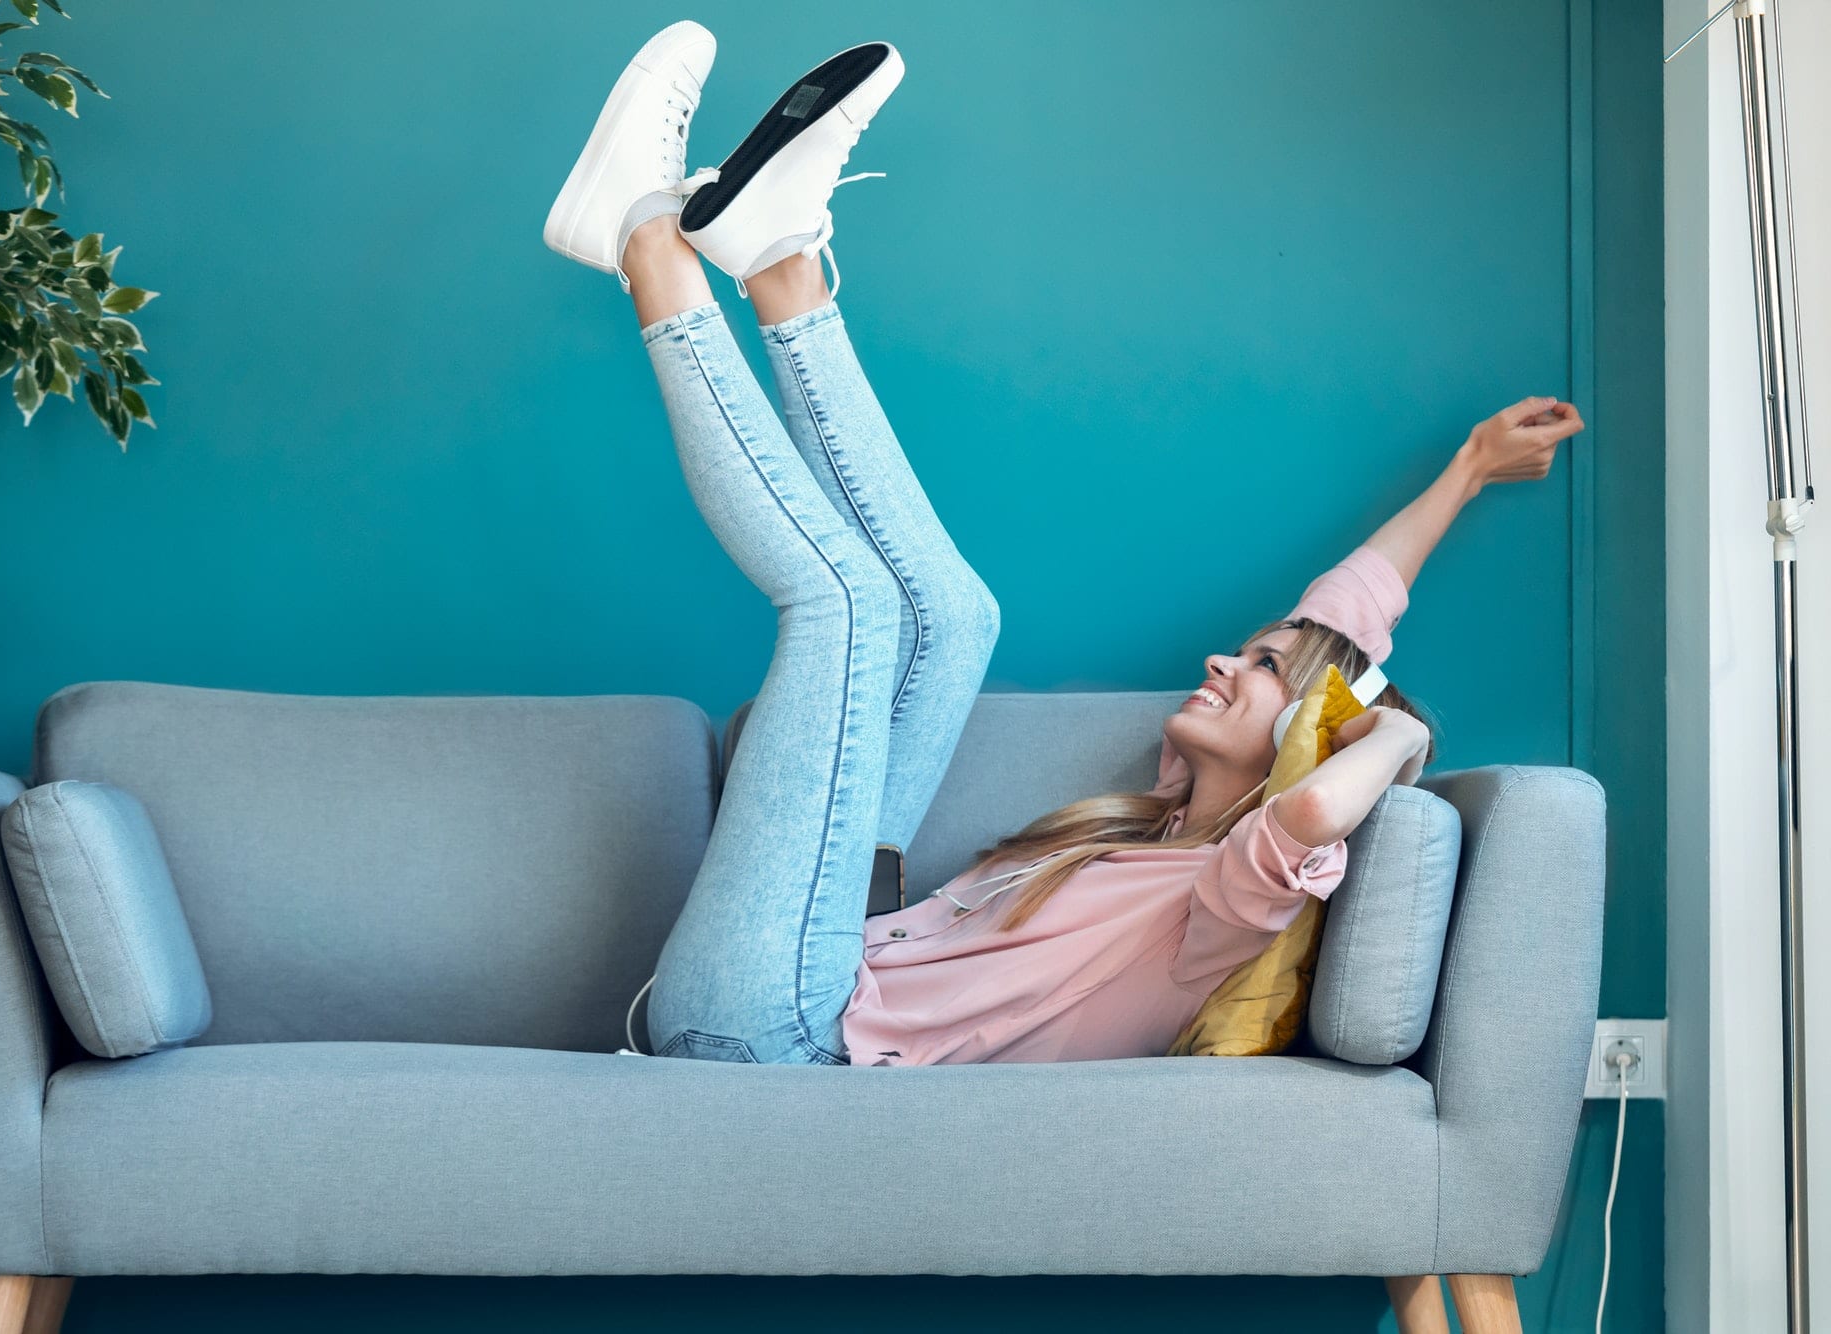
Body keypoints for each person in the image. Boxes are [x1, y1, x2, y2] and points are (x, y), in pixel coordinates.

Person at [542, 21, 1587, 1068]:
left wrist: (1399, 738)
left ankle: (641, 238)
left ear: (1311, 731)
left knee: (848, 607)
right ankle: (777, 264)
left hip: (781, 1039)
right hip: (813, 965)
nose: (1224, 660)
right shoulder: (1154, 830)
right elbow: (1340, 614)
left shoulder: (1224, 899)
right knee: (956, 620)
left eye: (1264, 669)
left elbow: (1314, 802)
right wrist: (1464, 469)